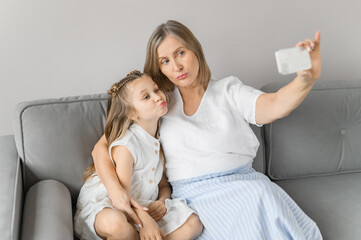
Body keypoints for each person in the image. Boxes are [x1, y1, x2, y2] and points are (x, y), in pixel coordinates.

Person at [92, 20, 323, 239]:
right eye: (165, 61)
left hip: (243, 184)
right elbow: (102, 147)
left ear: (195, 50)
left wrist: (306, 80)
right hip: (192, 197)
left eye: (180, 53)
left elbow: (273, 105)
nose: (177, 67)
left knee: (260, 196)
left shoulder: (228, 90)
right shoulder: (159, 103)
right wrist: (116, 193)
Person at [74, 70, 203, 240]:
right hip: (112, 205)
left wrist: (162, 202)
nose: (157, 97)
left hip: (143, 205)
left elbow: (163, 185)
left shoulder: (158, 140)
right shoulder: (128, 145)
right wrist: (145, 221)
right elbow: (121, 199)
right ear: (132, 114)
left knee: (194, 224)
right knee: (119, 226)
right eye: (146, 97)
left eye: (156, 90)